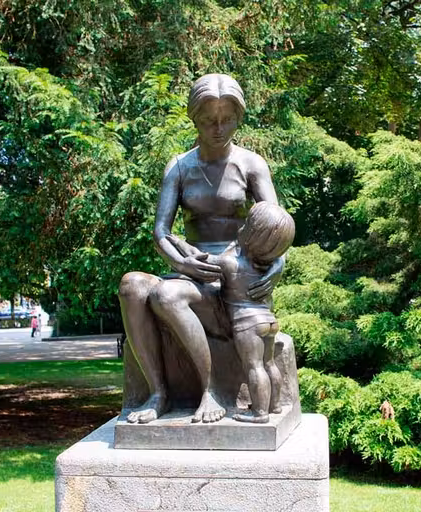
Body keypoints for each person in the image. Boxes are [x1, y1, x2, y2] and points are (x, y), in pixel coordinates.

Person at [118, 74, 284, 424]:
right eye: (209, 120)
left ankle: (211, 391)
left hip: (235, 279)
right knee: (132, 286)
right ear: (195, 118)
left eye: (227, 120)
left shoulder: (252, 165)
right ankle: (158, 392)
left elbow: (277, 225)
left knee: (166, 296)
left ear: (238, 119)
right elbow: (161, 231)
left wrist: (277, 265)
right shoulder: (180, 167)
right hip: (192, 272)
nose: (218, 128)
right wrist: (184, 262)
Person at [168, 201, 294, 423]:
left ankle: (260, 414)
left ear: (251, 236)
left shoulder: (230, 263)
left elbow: (201, 259)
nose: (240, 228)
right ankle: (274, 406)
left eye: (246, 226)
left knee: (254, 367)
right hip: (268, 320)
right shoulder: (266, 266)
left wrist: (179, 243)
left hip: (248, 325)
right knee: (269, 364)